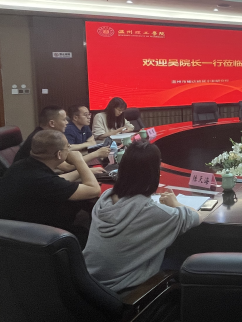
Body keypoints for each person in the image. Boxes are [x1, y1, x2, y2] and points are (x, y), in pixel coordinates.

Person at [83, 141, 200, 292]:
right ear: (154, 172)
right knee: (185, 257)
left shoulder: (105, 198)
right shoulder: (153, 212)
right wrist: (175, 203)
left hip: (90, 283)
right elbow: (196, 217)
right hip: (125, 290)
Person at [0, 130, 101, 243]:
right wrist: (79, 161)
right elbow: (94, 190)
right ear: (59, 154)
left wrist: (84, 172)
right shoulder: (42, 179)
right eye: (68, 147)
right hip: (30, 236)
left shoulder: (21, 165)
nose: (70, 150)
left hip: (14, 224)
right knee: (87, 233)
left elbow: (55, 180)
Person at [14, 106, 110, 171]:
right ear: (52, 123)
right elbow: (67, 167)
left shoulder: (45, 134)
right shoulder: (45, 140)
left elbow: (68, 156)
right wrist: (96, 154)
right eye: (64, 120)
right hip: (30, 181)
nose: (67, 123)